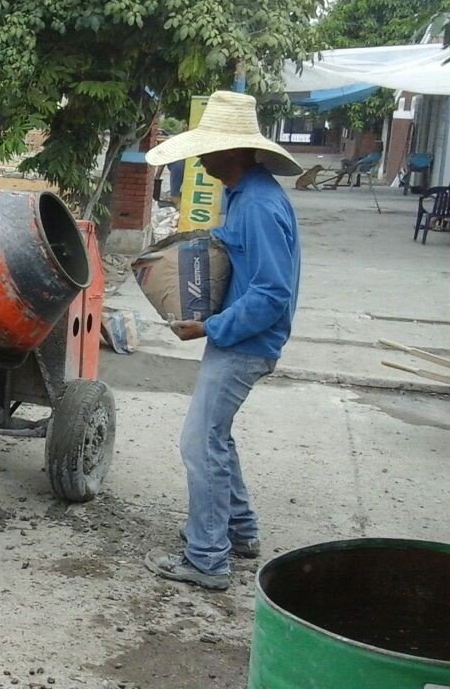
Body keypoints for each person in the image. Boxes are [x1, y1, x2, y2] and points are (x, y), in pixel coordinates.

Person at [142, 91, 302, 591]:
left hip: (245, 344)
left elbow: (272, 293)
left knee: (199, 442)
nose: (201, 159)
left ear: (230, 151)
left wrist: (208, 326)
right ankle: (240, 530)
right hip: (243, 337)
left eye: (206, 150)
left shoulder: (255, 204)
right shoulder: (248, 195)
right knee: (216, 435)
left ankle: (207, 558)